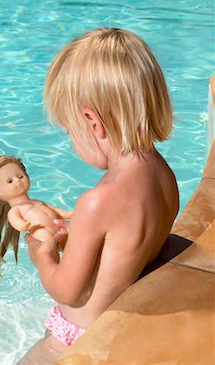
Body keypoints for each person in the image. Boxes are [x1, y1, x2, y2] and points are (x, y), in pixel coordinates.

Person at [18, 27, 179, 364]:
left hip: (77, 341)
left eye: (69, 131)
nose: (71, 140)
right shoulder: (163, 175)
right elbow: (123, 243)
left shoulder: (98, 200)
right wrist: (72, 226)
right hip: (117, 328)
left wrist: (42, 256)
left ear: (93, 122)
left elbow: (67, 289)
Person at [0, 155, 71, 275]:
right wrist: (25, 226)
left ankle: (73, 262)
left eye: (20, 176)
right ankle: (56, 269)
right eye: (10, 181)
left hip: (58, 228)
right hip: (41, 232)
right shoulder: (16, 210)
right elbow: (15, 220)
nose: (18, 181)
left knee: (71, 238)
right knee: (46, 241)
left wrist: (70, 213)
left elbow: (56, 211)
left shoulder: (38, 202)